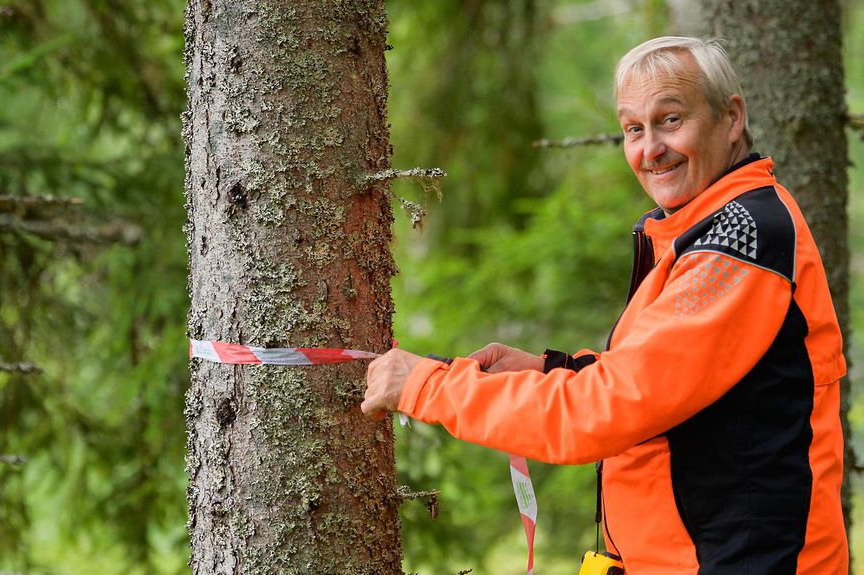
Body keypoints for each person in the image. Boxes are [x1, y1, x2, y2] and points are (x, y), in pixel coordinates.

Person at [361, 36, 848, 573]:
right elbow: (664, 383)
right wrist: (557, 369)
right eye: (633, 129)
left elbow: (608, 410)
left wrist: (426, 386)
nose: (649, 149)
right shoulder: (698, 231)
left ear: (731, 118)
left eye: (670, 120)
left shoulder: (739, 243)